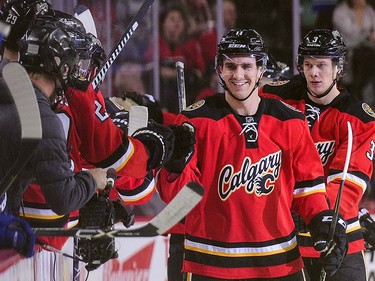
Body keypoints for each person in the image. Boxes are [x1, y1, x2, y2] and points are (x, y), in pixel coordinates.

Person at [157, 28, 348, 280]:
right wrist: (174, 166)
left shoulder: (289, 120)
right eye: (230, 66)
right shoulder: (195, 121)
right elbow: (178, 198)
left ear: (261, 69)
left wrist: (323, 224)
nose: (238, 75)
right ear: (219, 69)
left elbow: (308, 190)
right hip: (210, 263)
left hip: (280, 262)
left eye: (247, 66)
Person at [260, 29, 375, 281]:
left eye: (322, 65)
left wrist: (328, 225)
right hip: (286, 241)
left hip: (339, 240)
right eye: (308, 65)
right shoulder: (279, 100)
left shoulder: (358, 118)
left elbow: (347, 184)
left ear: (338, 68)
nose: (313, 73)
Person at [143, 4, 206, 113]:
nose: (176, 23)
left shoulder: (191, 45)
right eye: (172, 19)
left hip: (185, 90)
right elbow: (147, 68)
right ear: (163, 23)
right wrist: (162, 71)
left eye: (180, 19)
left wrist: (177, 74)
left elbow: (198, 73)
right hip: (161, 93)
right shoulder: (156, 43)